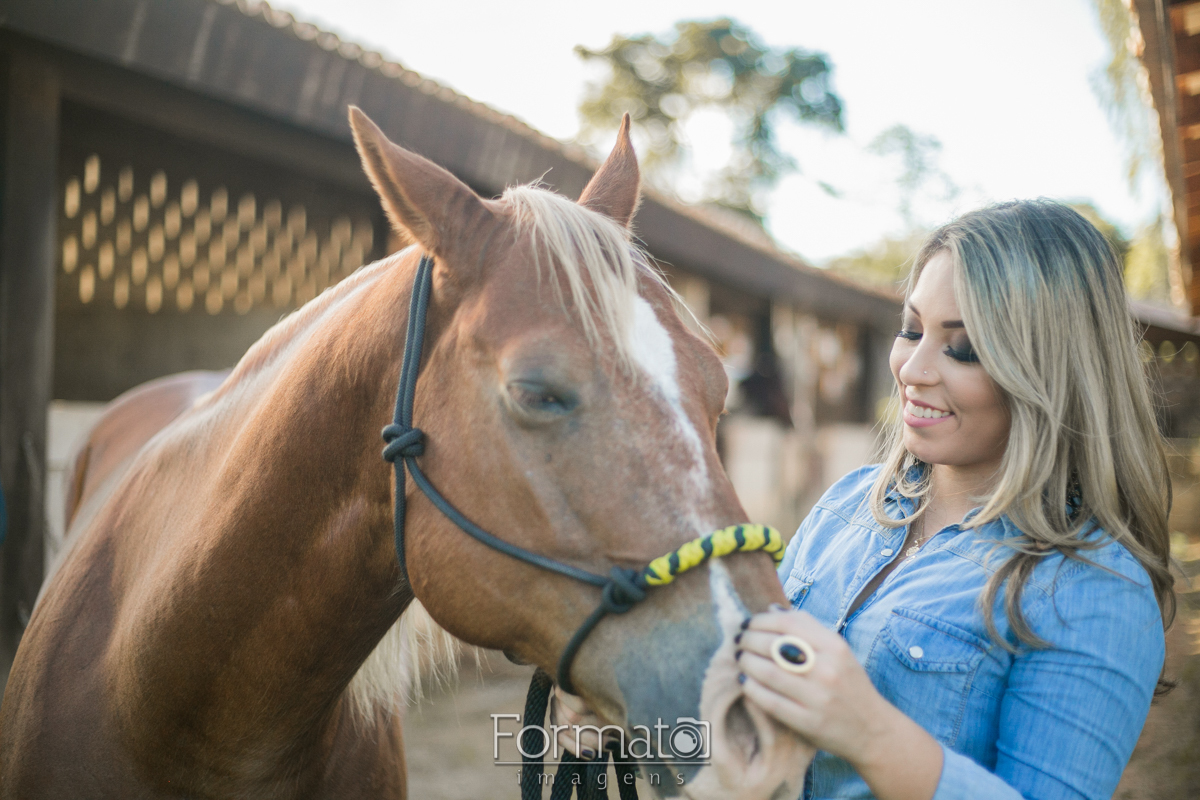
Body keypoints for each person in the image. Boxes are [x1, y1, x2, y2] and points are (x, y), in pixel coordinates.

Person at [553, 200, 1174, 800]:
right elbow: (745, 712)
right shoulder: (851, 504)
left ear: (1051, 370)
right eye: (911, 330)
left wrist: (872, 734)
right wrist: (631, 702)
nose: (912, 368)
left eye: (962, 348)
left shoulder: (1093, 588)